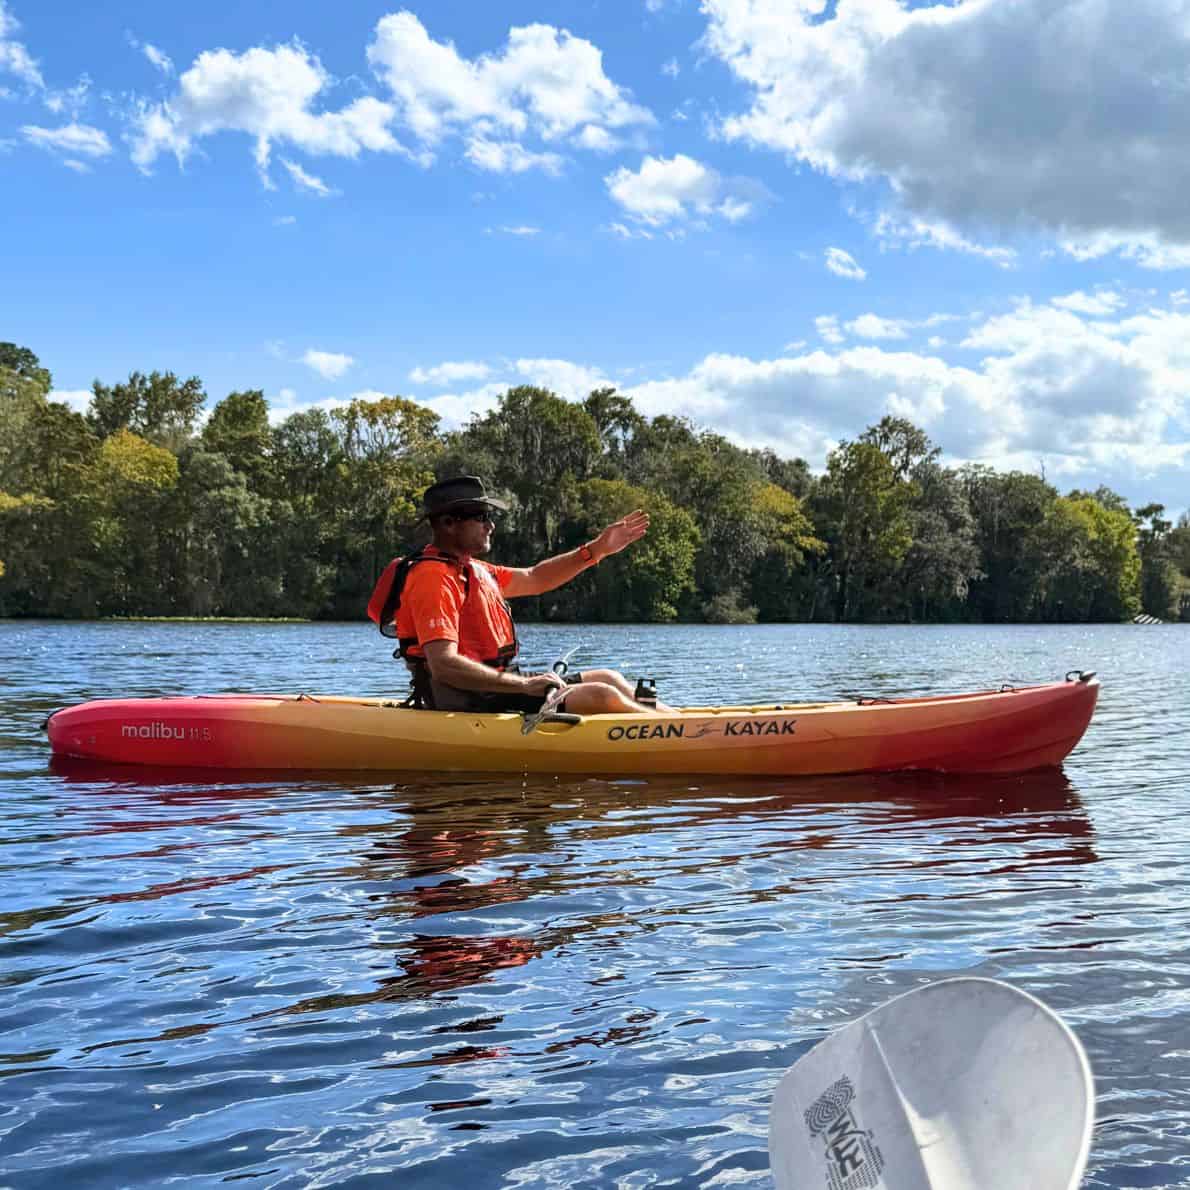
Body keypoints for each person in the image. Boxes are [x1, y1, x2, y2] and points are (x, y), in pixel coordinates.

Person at [381, 475, 673, 715]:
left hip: (494, 690)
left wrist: (597, 550)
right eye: (481, 517)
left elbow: (536, 578)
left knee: (608, 678)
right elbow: (443, 666)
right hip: (468, 699)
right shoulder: (433, 579)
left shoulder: (475, 571)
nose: (490, 525)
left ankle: (681, 723)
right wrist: (523, 686)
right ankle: (678, 738)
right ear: (447, 523)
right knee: (601, 696)